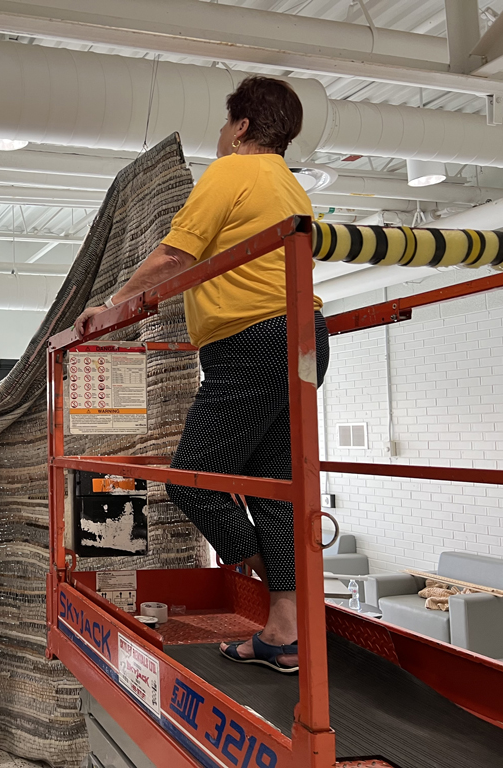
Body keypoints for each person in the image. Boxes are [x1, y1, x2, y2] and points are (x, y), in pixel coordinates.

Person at [74, 76, 330, 675]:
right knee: (271, 483)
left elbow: (173, 256)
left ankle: (247, 570)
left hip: (254, 342)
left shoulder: (231, 171)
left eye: (223, 126)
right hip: (303, 340)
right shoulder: (292, 188)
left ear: (241, 127)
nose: (219, 136)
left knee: (194, 478)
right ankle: (283, 634)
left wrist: (111, 307)